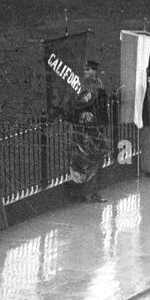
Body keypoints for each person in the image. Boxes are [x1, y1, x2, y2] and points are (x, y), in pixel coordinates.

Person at [66, 60, 109, 203]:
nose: (85, 72)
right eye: (84, 69)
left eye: (88, 69)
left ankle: (91, 192)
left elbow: (93, 102)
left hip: (94, 128)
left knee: (94, 159)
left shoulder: (95, 85)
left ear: (94, 71)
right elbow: (80, 104)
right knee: (85, 159)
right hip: (87, 129)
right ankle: (83, 192)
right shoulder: (87, 85)